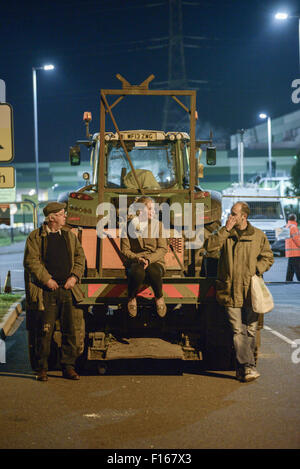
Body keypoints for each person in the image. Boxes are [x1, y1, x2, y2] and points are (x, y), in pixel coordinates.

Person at [204, 201, 274, 382]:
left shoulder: (258, 236)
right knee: (238, 330)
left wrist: (256, 269)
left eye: (234, 214)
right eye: (230, 213)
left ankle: (242, 369)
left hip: (250, 290)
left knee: (250, 329)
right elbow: (209, 247)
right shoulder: (225, 234)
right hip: (229, 289)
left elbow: (268, 257)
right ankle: (247, 366)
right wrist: (225, 229)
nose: (230, 216)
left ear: (244, 216)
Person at [24, 202, 86, 382]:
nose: (65, 216)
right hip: (47, 292)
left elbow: (80, 257)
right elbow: (31, 261)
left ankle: (68, 367)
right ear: (51, 218)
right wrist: (47, 280)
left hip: (68, 290)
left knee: (71, 330)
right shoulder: (35, 237)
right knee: (45, 331)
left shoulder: (69, 236)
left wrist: (74, 277)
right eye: (61, 214)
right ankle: (42, 368)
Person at [121, 196, 168, 318]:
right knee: (137, 272)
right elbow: (125, 249)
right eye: (150, 209)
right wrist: (138, 259)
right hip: (136, 261)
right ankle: (131, 298)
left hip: (155, 260)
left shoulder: (158, 225)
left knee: (153, 272)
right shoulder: (128, 226)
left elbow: (163, 248)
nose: (154, 212)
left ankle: (159, 297)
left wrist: (149, 260)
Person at [285, 213, 300, 281]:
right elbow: (297, 239)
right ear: (295, 219)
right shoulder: (293, 227)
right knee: (298, 267)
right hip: (295, 251)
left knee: (290, 267)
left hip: (289, 251)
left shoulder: (287, 226)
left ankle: (288, 279)